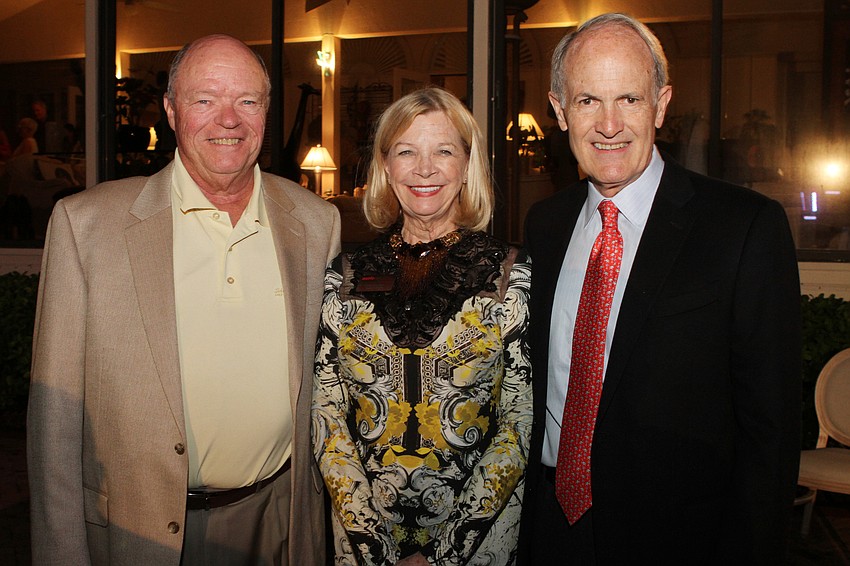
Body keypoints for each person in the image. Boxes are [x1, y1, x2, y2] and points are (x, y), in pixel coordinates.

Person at [27, 34, 340, 566]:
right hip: (137, 530)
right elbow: (53, 419)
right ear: (171, 110)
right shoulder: (87, 225)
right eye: (205, 100)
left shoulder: (315, 222)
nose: (229, 120)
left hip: (279, 522)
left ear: (266, 110)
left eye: (247, 101)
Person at [518, 13, 801, 565]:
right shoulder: (544, 225)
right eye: (586, 101)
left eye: (629, 99)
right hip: (551, 530)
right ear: (558, 110)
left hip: (681, 539)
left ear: (662, 104)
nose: (608, 124)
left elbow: (770, 431)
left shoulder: (743, 229)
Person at [312, 87, 532, 566]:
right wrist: (377, 549)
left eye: (444, 151)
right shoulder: (344, 274)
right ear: (386, 166)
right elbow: (327, 420)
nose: (425, 169)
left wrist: (444, 556)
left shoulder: (511, 274)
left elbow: (517, 426)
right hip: (365, 543)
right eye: (406, 151)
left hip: (477, 544)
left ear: (466, 165)